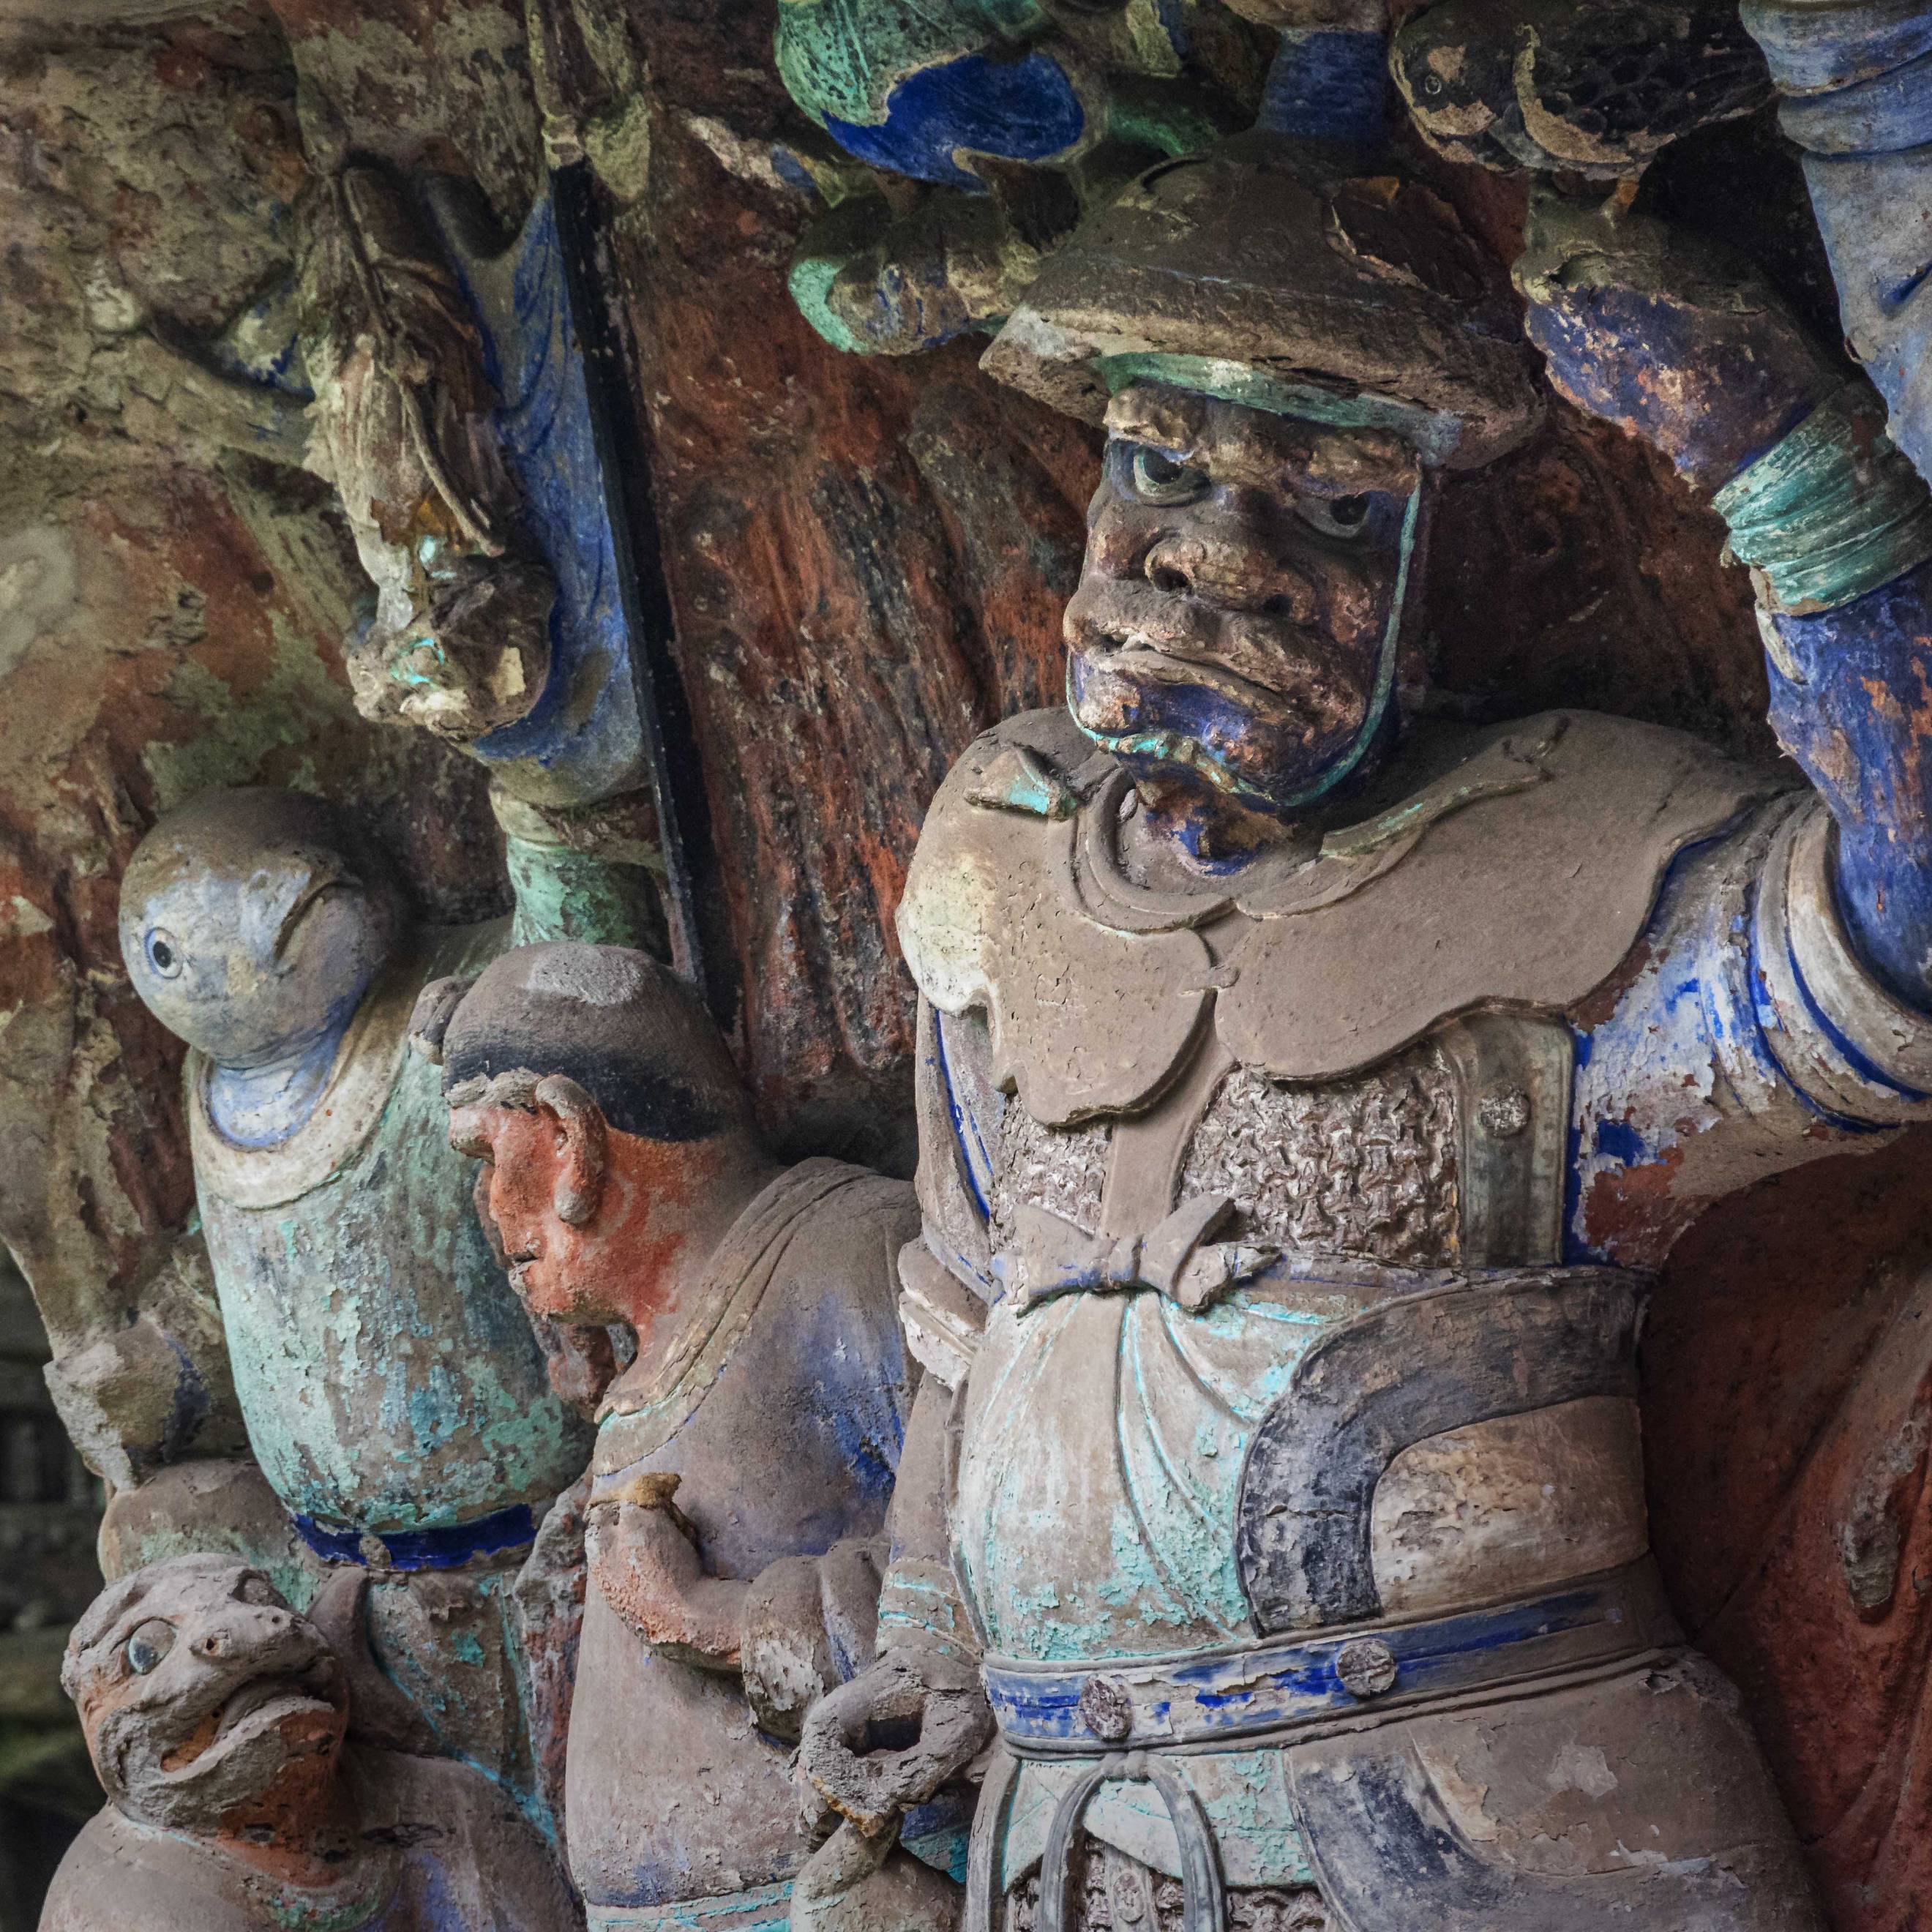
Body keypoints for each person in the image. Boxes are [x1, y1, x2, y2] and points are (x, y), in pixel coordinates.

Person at [795, 23, 1932, 1931]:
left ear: (1436, 564)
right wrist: (929, 1643)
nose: (1219, 552)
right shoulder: (996, 852)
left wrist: (1792, 474)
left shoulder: (1562, 874)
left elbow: (1906, 939)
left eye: (1329, 506)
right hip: (1076, 1831)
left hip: (1484, 1811)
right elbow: (969, 1299)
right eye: (1162, 459)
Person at [116, 785, 659, 1823]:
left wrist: (538, 788)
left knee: (571, 1813)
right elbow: (230, 1268)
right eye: (172, 953)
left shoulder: (433, 1019)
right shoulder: (208, 1089)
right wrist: (164, 1365)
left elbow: (580, 960)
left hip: (531, 1543)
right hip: (338, 1589)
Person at [416, 940, 957, 1932]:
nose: (488, 1210)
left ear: (571, 1136)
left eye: (488, 1157)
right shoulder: (637, 1368)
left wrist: (709, 1616)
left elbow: (990, 1575)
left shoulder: (843, 1258)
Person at [42, 1554, 579, 1932]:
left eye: (257, 1599)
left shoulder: (452, 1810)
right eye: (148, 1650)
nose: (238, 1630)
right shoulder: (125, 1898)